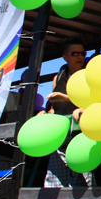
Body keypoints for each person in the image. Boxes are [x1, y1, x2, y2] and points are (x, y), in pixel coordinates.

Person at [41, 38, 91, 188]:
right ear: (65, 57)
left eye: (82, 53)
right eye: (75, 53)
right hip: (60, 139)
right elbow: (53, 108)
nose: (80, 57)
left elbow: (97, 102)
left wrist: (65, 97)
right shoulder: (58, 77)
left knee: (84, 186)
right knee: (54, 187)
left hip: (82, 138)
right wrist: (46, 113)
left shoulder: (89, 75)